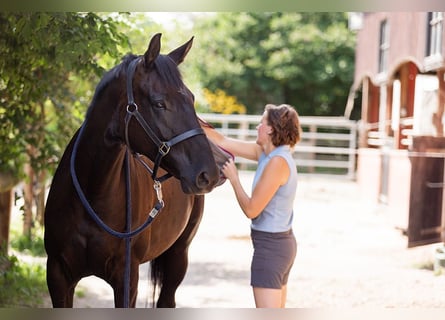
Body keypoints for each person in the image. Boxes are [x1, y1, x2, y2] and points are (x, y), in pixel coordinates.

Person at [200, 103, 302, 308]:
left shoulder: (277, 163)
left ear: (271, 129)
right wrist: (186, 112)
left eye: (261, 123)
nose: (257, 127)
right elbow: (222, 140)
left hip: (271, 247)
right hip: (278, 244)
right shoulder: (266, 153)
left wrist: (234, 179)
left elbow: (252, 209)